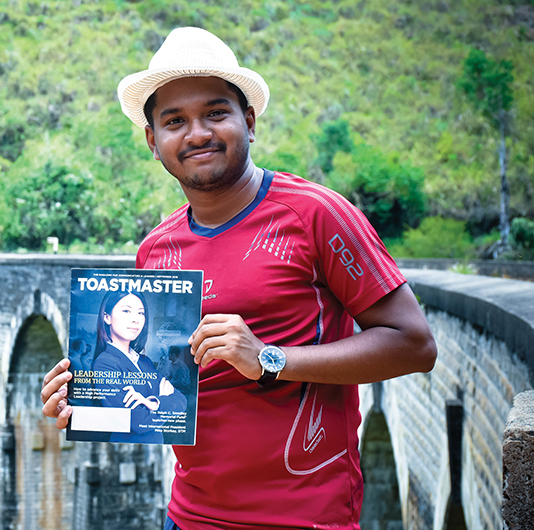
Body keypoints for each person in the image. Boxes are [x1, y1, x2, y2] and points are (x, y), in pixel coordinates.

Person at [41, 26, 437, 529]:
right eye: (174, 120)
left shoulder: (316, 215)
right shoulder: (156, 250)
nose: (197, 133)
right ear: (152, 140)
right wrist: (92, 395)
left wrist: (269, 359)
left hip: (304, 517)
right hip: (189, 516)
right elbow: (163, 386)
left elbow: (415, 344)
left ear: (248, 122)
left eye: (215, 113)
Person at [87, 291, 186, 444]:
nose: (135, 320)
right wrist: (165, 400)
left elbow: (181, 400)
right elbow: (139, 422)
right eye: (126, 311)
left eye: (141, 313)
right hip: (126, 449)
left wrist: (153, 403)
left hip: (157, 445)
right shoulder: (104, 363)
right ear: (107, 317)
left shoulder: (144, 361)